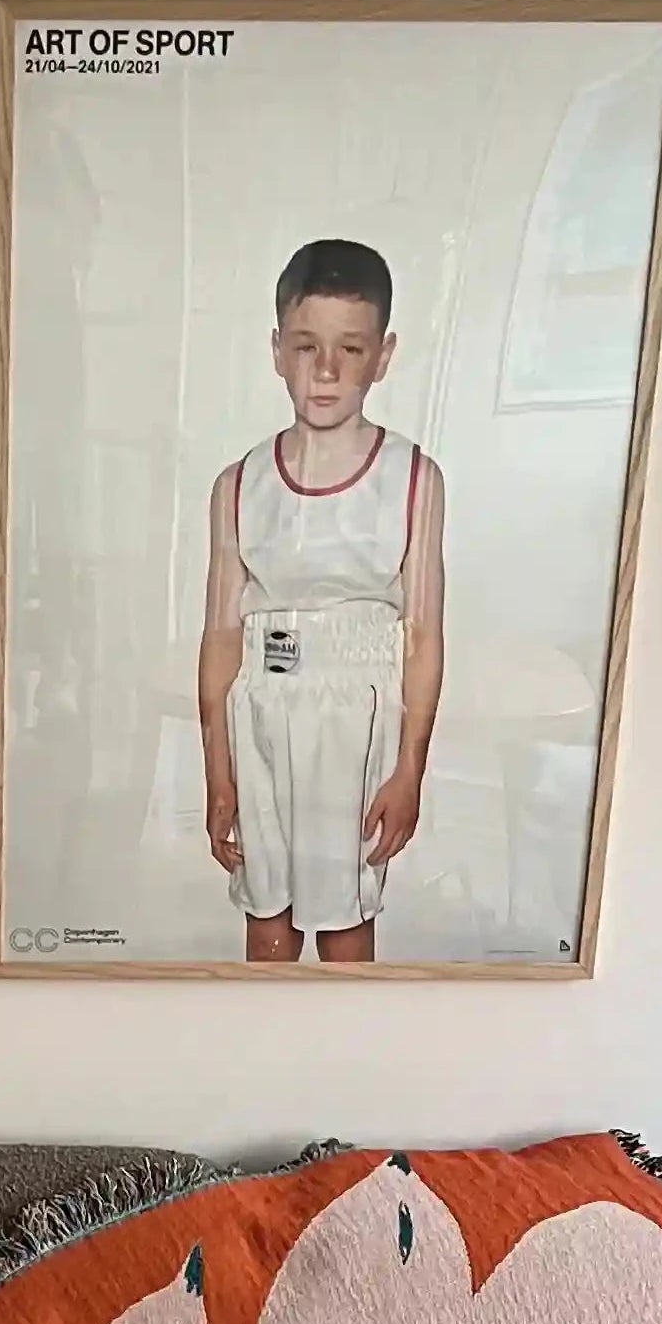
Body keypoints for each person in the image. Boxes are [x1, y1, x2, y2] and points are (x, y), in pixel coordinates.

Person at [197, 238, 444, 965]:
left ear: (383, 355)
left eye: (350, 349)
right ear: (278, 350)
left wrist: (410, 769)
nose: (327, 370)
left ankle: (345, 1036)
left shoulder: (411, 478)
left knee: (343, 921)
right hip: (260, 710)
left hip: (355, 717)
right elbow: (221, 636)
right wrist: (217, 766)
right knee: (266, 915)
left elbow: (423, 635)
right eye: (307, 347)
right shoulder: (239, 484)